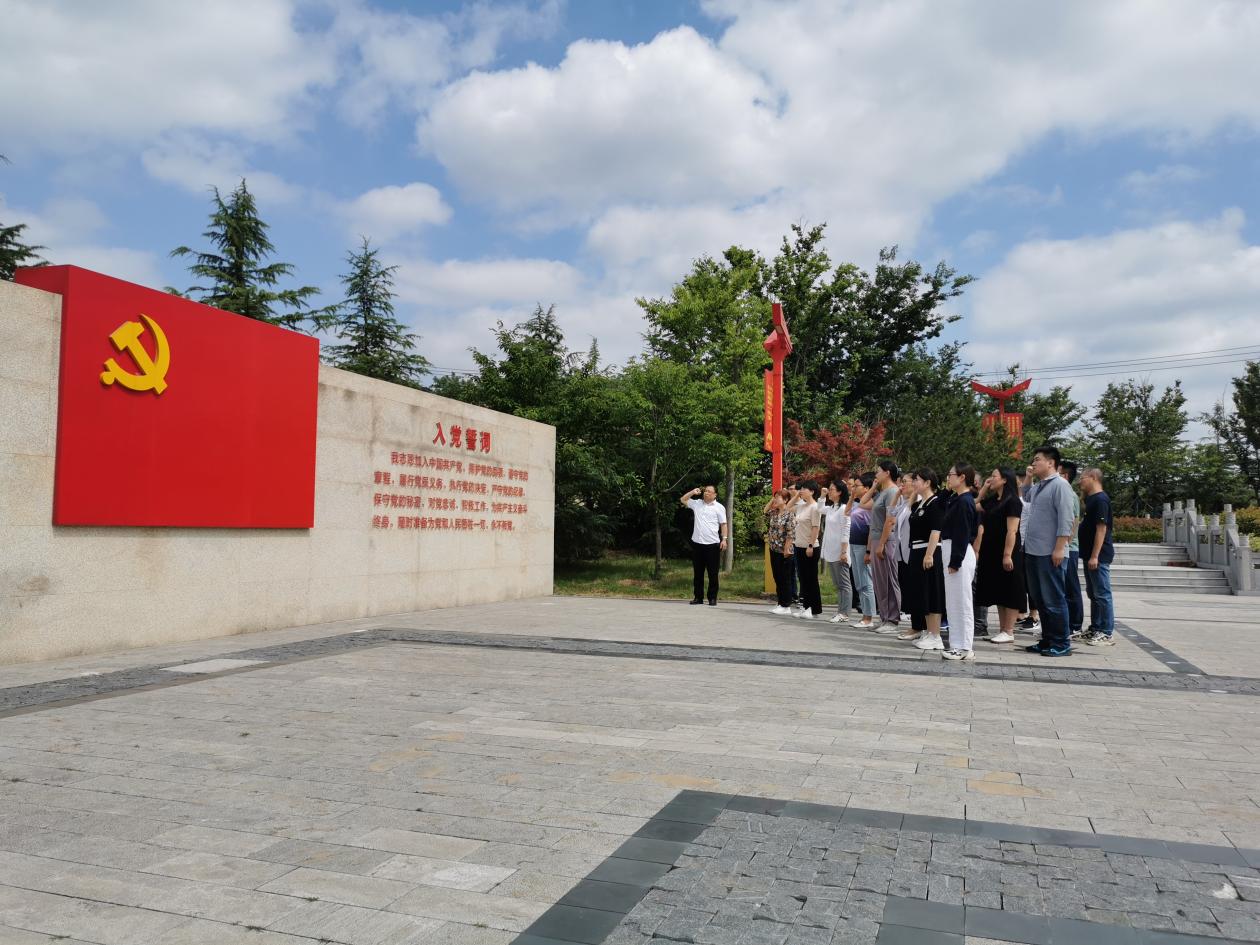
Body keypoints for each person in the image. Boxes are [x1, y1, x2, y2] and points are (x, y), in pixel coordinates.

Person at [1023, 445, 1075, 656]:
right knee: (1041, 599)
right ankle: (1047, 639)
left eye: (1037, 459)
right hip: (1033, 551)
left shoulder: (1060, 485)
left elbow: (1066, 519)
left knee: (1054, 599)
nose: (1033, 463)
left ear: (1051, 463)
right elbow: (1025, 496)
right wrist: (1029, 477)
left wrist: (1060, 548)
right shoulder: (1039, 486)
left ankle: (1062, 643)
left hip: (1050, 552)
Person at [974, 467, 1026, 645]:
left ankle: (1009, 630)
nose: (991, 478)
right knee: (999, 590)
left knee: (1010, 590)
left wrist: (1007, 555)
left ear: (1004, 479)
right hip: (991, 550)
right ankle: (1003, 629)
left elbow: (1012, 530)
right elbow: (973, 505)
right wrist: (983, 489)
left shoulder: (1013, 501)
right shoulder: (993, 500)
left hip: (1007, 551)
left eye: (994, 476)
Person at [904, 468, 946, 651]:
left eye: (917, 480)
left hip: (929, 551)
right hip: (916, 551)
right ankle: (929, 632)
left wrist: (929, 554)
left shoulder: (935, 503)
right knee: (922, 593)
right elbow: (910, 508)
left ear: (928, 482)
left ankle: (935, 635)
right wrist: (916, 491)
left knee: (932, 592)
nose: (913, 483)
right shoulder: (919, 504)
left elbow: (936, 530)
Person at [941, 463, 980, 661]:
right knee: (953, 602)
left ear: (962, 477)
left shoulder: (965, 501)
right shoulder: (955, 498)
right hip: (950, 549)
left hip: (959, 553)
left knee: (962, 602)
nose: (948, 478)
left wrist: (955, 561)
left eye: (951, 474)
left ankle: (965, 647)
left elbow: (962, 533)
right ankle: (956, 644)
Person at [1079, 467, 1116, 645]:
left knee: (1102, 594)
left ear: (1093, 477)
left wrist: (1095, 556)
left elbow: (1101, 530)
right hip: (1089, 554)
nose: (1080, 481)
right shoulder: (1091, 499)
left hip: (1098, 556)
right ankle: (1096, 628)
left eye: (1083, 478)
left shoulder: (1101, 500)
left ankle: (1106, 632)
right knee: (1093, 594)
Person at [868, 459, 903, 633]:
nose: (876, 474)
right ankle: (884, 617)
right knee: (880, 582)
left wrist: (881, 544)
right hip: (877, 539)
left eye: (878, 471)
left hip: (887, 540)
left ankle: (892, 619)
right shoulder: (883, 492)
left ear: (887, 473)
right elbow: (864, 502)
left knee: (889, 579)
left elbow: (891, 520)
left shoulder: (893, 492)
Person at [680, 485, 727, 606]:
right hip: (697, 544)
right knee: (698, 573)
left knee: (713, 573)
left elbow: (723, 524)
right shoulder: (697, 504)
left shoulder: (719, 507)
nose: (706, 493)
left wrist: (724, 539)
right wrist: (692, 492)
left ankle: (712, 598)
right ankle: (698, 597)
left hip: (712, 545)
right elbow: (683, 499)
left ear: (715, 495)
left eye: (709, 491)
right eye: (705, 491)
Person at [786, 480, 824, 619]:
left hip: (810, 547)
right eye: (800, 488)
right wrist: (797, 496)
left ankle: (814, 609)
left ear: (812, 491)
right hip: (798, 546)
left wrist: (810, 545)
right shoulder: (801, 506)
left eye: (804, 489)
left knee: (811, 578)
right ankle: (806, 607)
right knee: (802, 578)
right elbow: (788, 507)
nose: (801, 491)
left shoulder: (815, 507)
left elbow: (815, 527)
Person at [1058, 461, 1085, 640]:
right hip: (1066, 547)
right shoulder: (1063, 492)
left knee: (1071, 586)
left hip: (1070, 548)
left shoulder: (1070, 494)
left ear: (1065, 476)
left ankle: (1075, 625)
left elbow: (1074, 521)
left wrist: (1066, 543)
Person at [847, 473, 877, 628]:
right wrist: (852, 496)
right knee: (859, 582)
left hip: (863, 546)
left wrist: (868, 551)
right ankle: (865, 615)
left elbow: (872, 529)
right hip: (853, 544)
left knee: (866, 582)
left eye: (856, 486)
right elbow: (846, 512)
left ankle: (869, 617)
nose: (853, 488)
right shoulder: (858, 503)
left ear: (866, 488)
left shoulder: (870, 504)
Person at [894, 473, 921, 641]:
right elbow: (890, 514)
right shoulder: (904, 502)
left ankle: (917, 624)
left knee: (914, 588)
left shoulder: (918, 502)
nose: (901, 485)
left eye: (905, 482)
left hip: (913, 551)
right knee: (906, 585)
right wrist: (897, 495)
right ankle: (914, 623)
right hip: (902, 551)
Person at [820, 481, 853, 624]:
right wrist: (822, 496)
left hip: (840, 551)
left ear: (839, 492)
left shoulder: (844, 508)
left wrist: (844, 551)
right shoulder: (832, 508)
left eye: (832, 489)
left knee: (844, 584)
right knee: (838, 584)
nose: (829, 491)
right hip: (831, 551)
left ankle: (845, 613)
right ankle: (840, 611)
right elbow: (819, 508)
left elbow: (846, 530)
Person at [1017, 466, 1042, 636]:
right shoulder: (1018, 500)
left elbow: (1027, 490)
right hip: (1020, 545)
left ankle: (1034, 616)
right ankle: (1022, 614)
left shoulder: (1026, 501)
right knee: (1021, 582)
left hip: (1026, 544)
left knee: (1029, 582)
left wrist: (1029, 477)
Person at [763, 489, 795, 615]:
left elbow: (790, 534)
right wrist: (773, 498)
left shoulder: (789, 514)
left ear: (786, 500)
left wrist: (787, 549)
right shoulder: (774, 512)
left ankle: (786, 605)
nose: (776, 499)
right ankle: (780, 603)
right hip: (774, 549)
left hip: (784, 551)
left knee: (785, 578)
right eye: (775, 497)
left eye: (779, 497)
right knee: (777, 577)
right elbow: (765, 511)